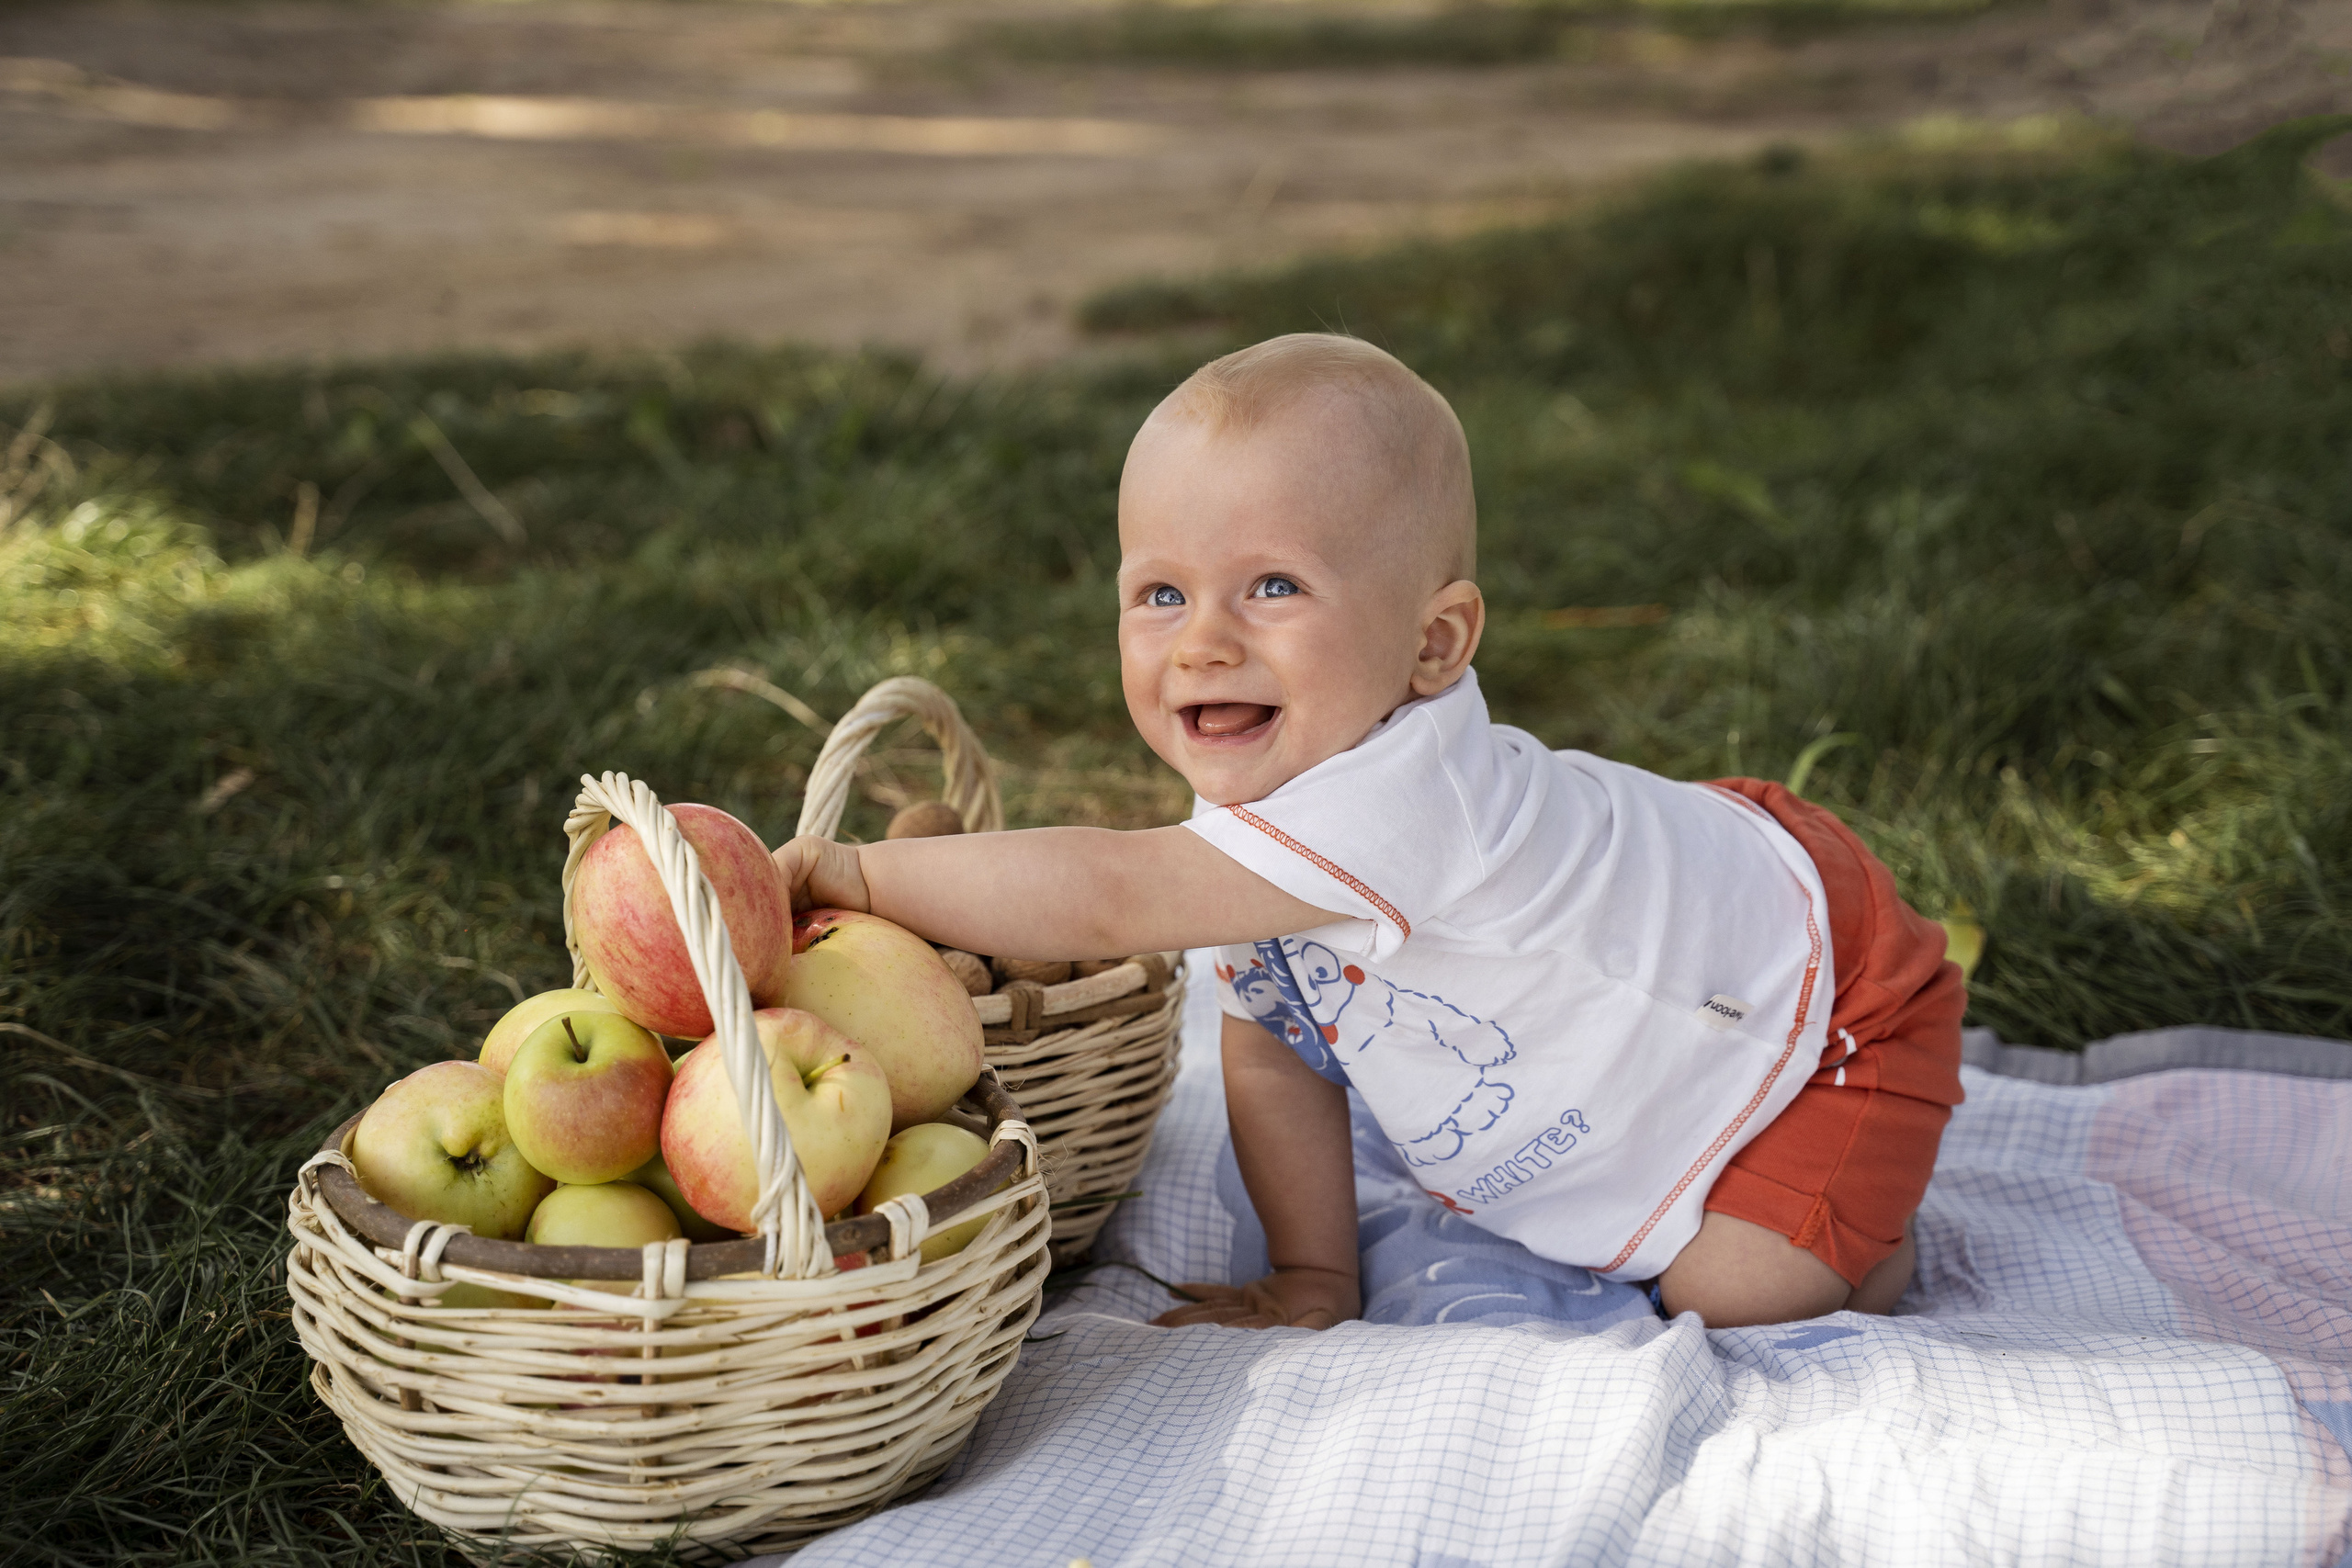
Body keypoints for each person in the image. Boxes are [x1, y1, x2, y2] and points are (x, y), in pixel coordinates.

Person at [775, 333, 1965, 1331]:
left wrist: (856, 874)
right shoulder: (1267, 808)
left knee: (1739, 1286)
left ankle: (1875, 1238)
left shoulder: (1402, 795)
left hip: (1822, 982)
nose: (1203, 642)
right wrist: (1315, 1276)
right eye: (1162, 594)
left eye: (1274, 587)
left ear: (1433, 647)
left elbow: (1108, 894)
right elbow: (1276, 1044)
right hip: (1694, 900)